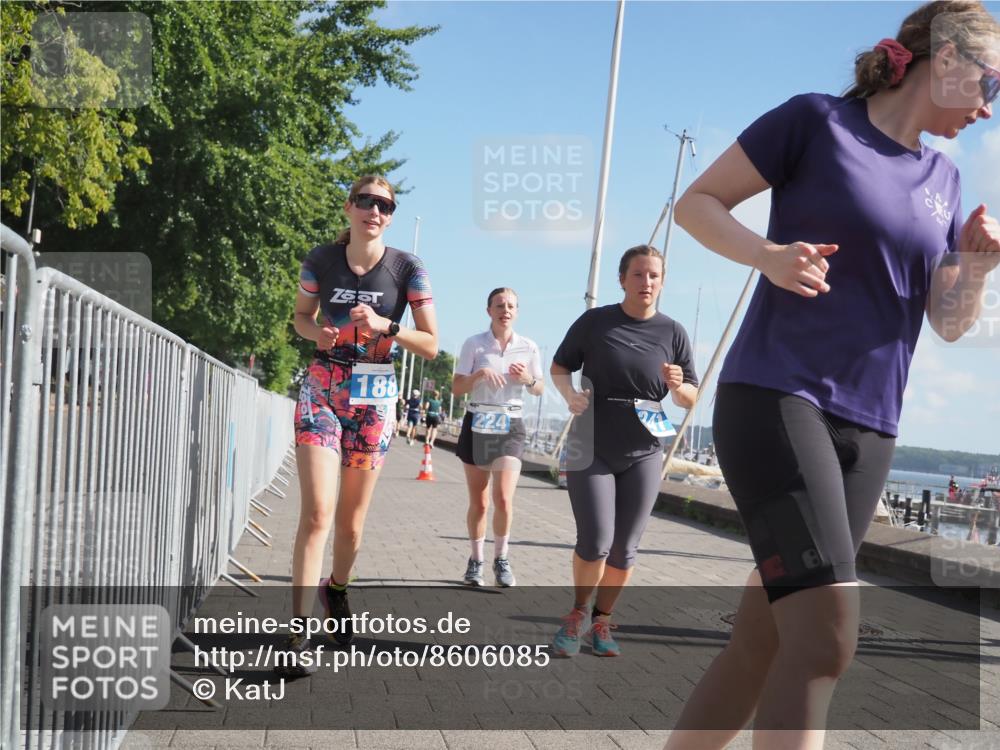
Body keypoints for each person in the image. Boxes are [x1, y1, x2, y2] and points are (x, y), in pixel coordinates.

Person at [665, 3, 1000, 747]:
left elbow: (946, 322)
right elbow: (696, 204)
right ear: (945, 61)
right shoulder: (817, 122)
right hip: (780, 398)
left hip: (872, 427)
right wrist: (769, 257)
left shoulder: (943, 178)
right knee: (825, 640)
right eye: (991, 84)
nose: (986, 107)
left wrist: (974, 269)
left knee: (765, 642)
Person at [281, 175, 437, 675]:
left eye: (385, 205)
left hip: (373, 397)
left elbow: (432, 344)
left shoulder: (407, 268)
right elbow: (300, 317)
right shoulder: (321, 260)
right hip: (323, 388)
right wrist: (318, 332)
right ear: (349, 207)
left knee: (350, 526)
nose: (375, 211)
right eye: (366, 201)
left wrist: (389, 327)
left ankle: (337, 589)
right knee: (318, 514)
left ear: (390, 216)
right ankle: (298, 632)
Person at [550, 246, 698, 656]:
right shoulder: (596, 322)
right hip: (592, 440)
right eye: (638, 274)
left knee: (625, 546)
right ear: (622, 279)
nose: (646, 282)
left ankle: (602, 623)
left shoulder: (674, 332)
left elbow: (690, 398)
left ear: (662, 282)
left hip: (645, 448)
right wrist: (569, 396)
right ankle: (578, 613)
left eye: (653, 276)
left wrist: (678, 385)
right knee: (596, 539)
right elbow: (560, 366)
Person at [453, 287, 544, 587]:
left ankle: (501, 559)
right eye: (500, 305)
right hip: (478, 420)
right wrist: (478, 375)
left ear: (517, 311)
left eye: (511, 306)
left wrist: (527, 379)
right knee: (479, 502)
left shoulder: (528, 346)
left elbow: (539, 387)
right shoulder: (474, 345)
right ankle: (476, 560)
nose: (506, 310)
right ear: (489, 310)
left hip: (510, 423)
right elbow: (456, 387)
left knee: (503, 498)